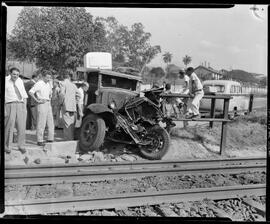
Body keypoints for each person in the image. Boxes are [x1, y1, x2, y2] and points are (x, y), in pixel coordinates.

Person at [5, 67, 28, 154]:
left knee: (21, 126)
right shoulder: (5, 80)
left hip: (20, 104)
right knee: (9, 126)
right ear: (10, 73)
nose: (16, 76)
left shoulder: (20, 81)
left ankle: (21, 145)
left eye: (17, 74)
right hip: (10, 104)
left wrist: (24, 107)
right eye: (14, 74)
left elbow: (24, 94)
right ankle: (7, 146)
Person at [29, 71, 54, 146]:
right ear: (43, 76)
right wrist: (37, 100)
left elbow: (50, 93)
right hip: (42, 103)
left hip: (48, 103)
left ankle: (50, 138)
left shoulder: (49, 84)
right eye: (47, 77)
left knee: (50, 122)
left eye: (50, 77)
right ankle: (40, 140)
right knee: (41, 122)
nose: (48, 79)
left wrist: (50, 97)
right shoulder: (39, 83)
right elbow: (31, 92)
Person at [59, 71, 78, 140]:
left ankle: (68, 139)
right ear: (69, 77)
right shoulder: (73, 85)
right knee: (71, 123)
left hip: (65, 106)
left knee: (66, 123)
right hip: (73, 106)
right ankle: (71, 138)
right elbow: (78, 94)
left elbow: (61, 94)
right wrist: (75, 101)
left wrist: (61, 103)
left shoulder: (63, 84)